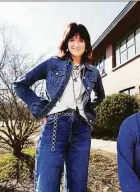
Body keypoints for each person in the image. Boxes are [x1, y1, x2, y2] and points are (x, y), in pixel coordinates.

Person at [13, 22, 105, 192]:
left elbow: (100, 96)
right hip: (54, 127)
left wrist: (87, 110)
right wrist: (41, 108)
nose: (76, 44)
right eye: (72, 39)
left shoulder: (93, 71)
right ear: (66, 43)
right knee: (47, 185)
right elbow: (20, 84)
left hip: (82, 131)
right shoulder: (53, 63)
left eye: (81, 40)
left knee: (78, 186)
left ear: (86, 45)